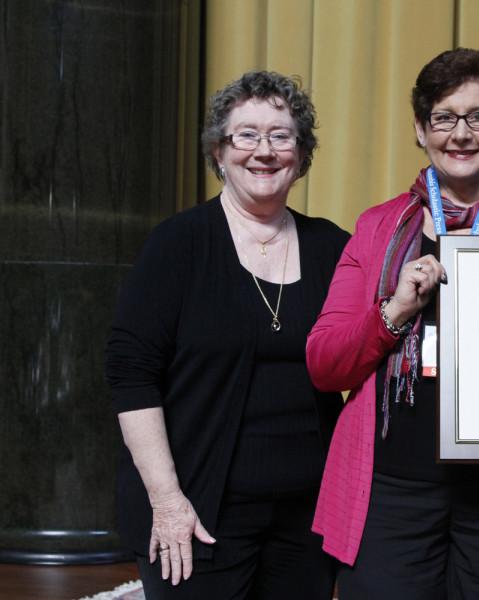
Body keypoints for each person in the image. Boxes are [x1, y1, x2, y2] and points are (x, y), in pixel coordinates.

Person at [306, 48, 479, 599]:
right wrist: (395, 312)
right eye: (444, 117)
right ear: (420, 129)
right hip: (391, 494)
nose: (461, 133)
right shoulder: (378, 227)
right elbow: (325, 362)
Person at [106, 71, 349, 599]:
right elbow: (131, 375)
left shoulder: (333, 246)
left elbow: (373, 342)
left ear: (301, 156)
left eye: (281, 136)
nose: (264, 151)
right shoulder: (178, 244)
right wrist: (167, 501)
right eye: (246, 135)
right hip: (197, 509)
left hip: (307, 518)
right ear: (219, 151)